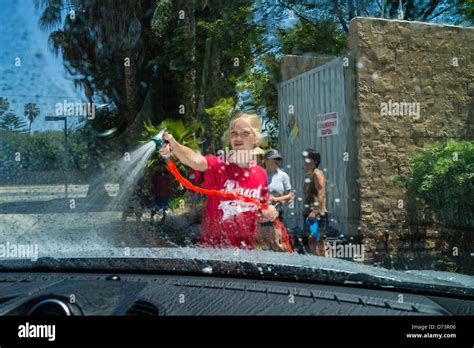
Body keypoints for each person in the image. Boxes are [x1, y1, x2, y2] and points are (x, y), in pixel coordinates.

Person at [158, 111, 279, 249]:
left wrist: (269, 212)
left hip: (246, 254)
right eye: (234, 133)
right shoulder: (218, 165)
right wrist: (173, 144)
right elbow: (195, 160)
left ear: (256, 138)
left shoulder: (260, 174)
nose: (238, 138)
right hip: (213, 253)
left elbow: (258, 212)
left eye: (245, 133)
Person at [303, 149, 328, 256]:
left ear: (315, 161)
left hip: (316, 214)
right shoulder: (309, 175)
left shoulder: (317, 174)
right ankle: (317, 263)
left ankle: (324, 265)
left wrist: (315, 211)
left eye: (308, 159)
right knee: (311, 241)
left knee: (319, 241)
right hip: (309, 213)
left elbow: (321, 192)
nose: (305, 161)